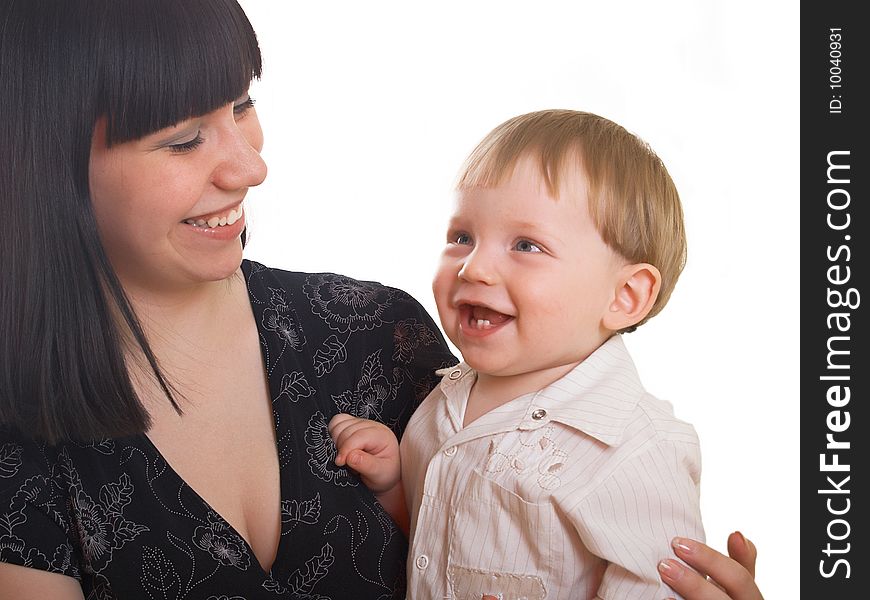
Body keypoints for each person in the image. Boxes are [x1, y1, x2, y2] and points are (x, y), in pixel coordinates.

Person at [0, 1, 763, 598]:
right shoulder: (23, 428)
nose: (249, 167)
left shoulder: (380, 339)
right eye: (182, 139)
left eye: (240, 106)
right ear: (51, 161)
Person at [329, 109, 724, 599]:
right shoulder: (442, 398)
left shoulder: (633, 451)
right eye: (462, 237)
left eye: (526, 245)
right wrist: (394, 487)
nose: (474, 268)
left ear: (625, 295)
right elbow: (442, 547)